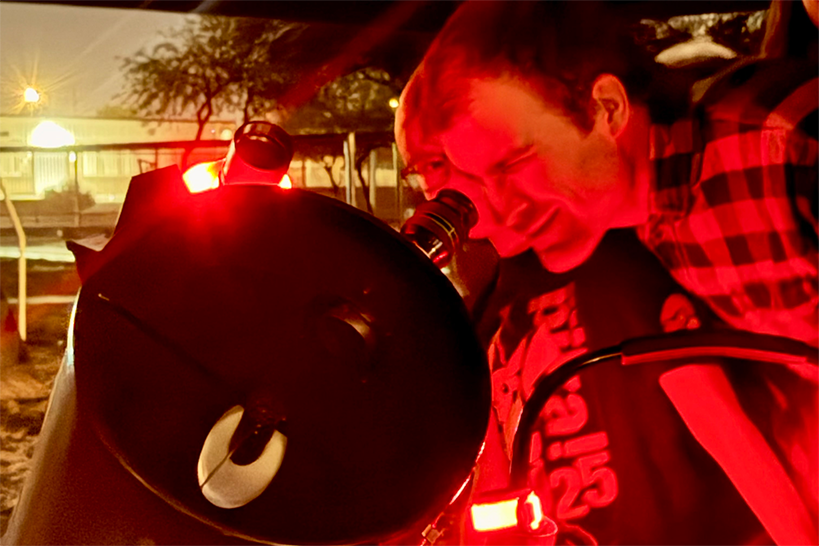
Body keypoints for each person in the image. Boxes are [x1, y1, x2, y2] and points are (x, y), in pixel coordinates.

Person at [395, 0, 819, 543]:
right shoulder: (658, 222)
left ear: (607, 108)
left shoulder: (777, 144)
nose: (499, 209)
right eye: (474, 176)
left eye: (515, 164)